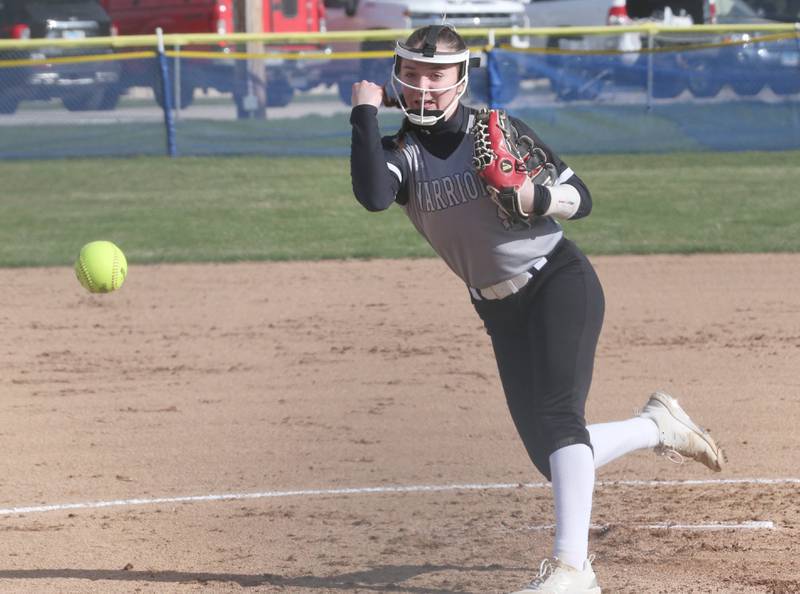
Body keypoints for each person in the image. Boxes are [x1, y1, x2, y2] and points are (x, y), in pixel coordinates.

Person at [349, 24, 725, 594]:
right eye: (413, 72)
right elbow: (373, 195)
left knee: (558, 420)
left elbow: (583, 196)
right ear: (395, 76)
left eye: (437, 74)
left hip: (557, 281)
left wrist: (537, 196)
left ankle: (574, 571)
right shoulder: (400, 154)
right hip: (498, 311)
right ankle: (656, 426)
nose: (424, 85)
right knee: (551, 456)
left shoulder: (495, 130)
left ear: (461, 77)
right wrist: (363, 117)